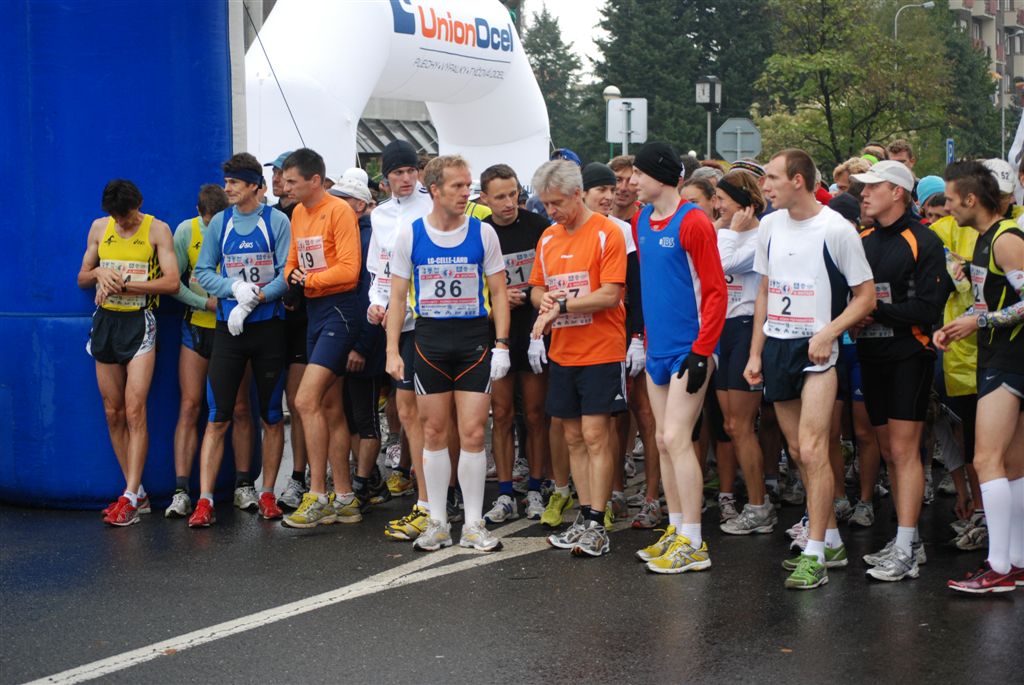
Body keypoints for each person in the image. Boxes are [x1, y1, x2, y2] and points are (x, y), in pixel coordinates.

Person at [744, 148, 876, 590]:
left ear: (797, 180)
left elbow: (865, 297)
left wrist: (829, 333)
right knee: (799, 451)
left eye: (772, 178)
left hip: (819, 353)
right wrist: (755, 354)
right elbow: (765, 291)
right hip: (778, 347)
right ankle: (831, 540)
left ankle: (815, 553)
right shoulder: (769, 225)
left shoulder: (837, 229)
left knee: (816, 448)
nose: (765, 186)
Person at [384, 155, 511, 552]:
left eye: (468, 185)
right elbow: (397, 298)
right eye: (457, 186)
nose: (465, 193)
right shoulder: (411, 235)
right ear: (435, 190)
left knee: (473, 432)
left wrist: (502, 344)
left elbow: (500, 292)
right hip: (429, 342)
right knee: (434, 432)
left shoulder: (484, 233)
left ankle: (473, 524)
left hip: (473, 341)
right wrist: (391, 350)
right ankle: (437, 522)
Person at [628, 143, 727, 573]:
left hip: (690, 349)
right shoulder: (641, 220)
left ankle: (695, 542)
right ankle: (675, 528)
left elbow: (715, 291)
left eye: (639, 174)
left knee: (677, 437)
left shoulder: (694, 222)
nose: (632, 181)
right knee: (662, 441)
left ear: (661, 176)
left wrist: (703, 351)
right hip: (658, 348)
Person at [850, 160, 949, 581]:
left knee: (905, 451)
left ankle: (906, 548)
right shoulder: (862, 238)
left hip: (910, 353)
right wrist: (852, 317)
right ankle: (910, 541)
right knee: (889, 450)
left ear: (898, 193)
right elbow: (851, 296)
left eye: (873, 187)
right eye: (863, 187)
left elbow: (928, 308)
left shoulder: (923, 240)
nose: (864, 194)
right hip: (871, 355)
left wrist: (874, 311)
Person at [528, 159, 628, 558]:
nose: (550, 211)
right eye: (545, 204)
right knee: (571, 436)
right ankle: (584, 518)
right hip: (563, 351)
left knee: (594, 434)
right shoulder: (548, 237)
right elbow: (537, 288)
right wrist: (545, 300)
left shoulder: (607, 232)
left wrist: (563, 305)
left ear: (577, 193)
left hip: (602, 349)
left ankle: (598, 522)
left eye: (556, 203)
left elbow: (611, 294)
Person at [186, 154, 291, 527]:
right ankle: (205, 501)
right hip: (229, 330)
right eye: (226, 181)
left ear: (253, 186)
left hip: (267, 327)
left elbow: (287, 272)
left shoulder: (276, 221)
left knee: (271, 416)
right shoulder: (221, 223)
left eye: (233, 182)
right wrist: (234, 288)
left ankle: (268, 493)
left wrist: (256, 297)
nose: (226, 188)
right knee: (218, 416)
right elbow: (202, 272)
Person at [937, 160, 1024, 594]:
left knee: (985, 459)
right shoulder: (987, 239)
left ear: (971, 199)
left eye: (951, 199)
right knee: (1012, 464)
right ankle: (1016, 562)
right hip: (1000, 356)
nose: (947, 207)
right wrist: (961, 323)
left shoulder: (1006, 239)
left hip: (1009, 359)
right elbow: (992, 300)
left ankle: (998, 566)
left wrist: (980, 322)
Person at [78, 180, 179, 526]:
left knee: (135, 410)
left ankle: (130, 496)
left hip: (140, 321)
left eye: (126, 216)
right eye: (116, 217)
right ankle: (136, 493)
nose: (121, 222)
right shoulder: (99, 227)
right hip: (106, 322)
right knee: (113, 412)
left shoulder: (157, 230)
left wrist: (124, 284)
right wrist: (98, 272)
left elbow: (172, 282)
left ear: (139, 204)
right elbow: (81, 277)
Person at [279, 148, 363, 528]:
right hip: (314, 312)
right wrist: (295, 277)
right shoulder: (298, 212)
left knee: (304, 399)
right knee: (329, 407)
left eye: (292, 181)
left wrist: (308, 280)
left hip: (340, 310)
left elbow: (349, 269)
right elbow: (292, 262)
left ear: (315, 180)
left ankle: (316, 494)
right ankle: (344, 497)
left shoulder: (339, 210)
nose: (286, 187)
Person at [167, 185, 256, 518]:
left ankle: (244, 484)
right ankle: (181, 491)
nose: (212, 225)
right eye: (207, 221)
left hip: (233, 329)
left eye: (216, 220)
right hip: (197, 328)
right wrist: (202, 302)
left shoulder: (240, 228)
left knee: (240, 407)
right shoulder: (186, 231)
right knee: (190, 406)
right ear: (199, 212)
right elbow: (173, 282)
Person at [367, 140, 435, 540]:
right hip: (397, 325)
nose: (406, 178)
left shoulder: (431, 206)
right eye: (398, 173)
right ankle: (425, 500)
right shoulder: (379, 215)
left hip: (429, 322)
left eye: (411, 171)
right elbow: (379, 271)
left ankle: (439, 498)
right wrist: (375, 304)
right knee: (408, 413)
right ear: (386, 178)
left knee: (434, 416)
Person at [477, 164, 551, 523]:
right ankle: (505, 492)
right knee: (502, 414)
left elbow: (551, 275)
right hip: (498, 333)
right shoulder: (480, 232)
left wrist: (532, 292)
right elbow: (474, 288)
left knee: (535, 414)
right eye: (500, 197)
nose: (509, 203)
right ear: (484, 199)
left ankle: (535, 487)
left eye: (514, 194)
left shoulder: (538, 227)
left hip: (534, 329)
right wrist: (498, 298)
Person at [711, 170, 778, 536]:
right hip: (721, 329)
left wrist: (731, 231)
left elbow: (722, 265)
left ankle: (759, 506)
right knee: (730, 426)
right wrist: (726, 230)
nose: (716, 205)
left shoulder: (761, 235)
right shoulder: (725, 232)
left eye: (722, 199)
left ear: (743, 203)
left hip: (747, 327)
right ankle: (755, 502)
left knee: (741, 425)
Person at [579, 162, 644, 524]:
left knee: (612, 421)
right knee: (578, 429)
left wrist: (636, 336)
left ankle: (614, 491)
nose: (609, 195)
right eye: (601, 189)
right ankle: (587, 499)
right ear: (582, 192)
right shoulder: (561, 231)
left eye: (611, 188)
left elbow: (633, 289)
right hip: (574, 340)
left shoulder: (621, 230)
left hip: (612, 337)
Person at [329, 170, 391, 508]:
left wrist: (362, 346)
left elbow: (374, 297)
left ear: (359, 204)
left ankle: (363, 484)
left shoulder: (369, 238)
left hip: (366, 342)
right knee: (351, 417)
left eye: (342, 199)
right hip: (348, 338)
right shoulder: (349, 233)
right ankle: (370, 480)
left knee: (365, 418)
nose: (336, 204)